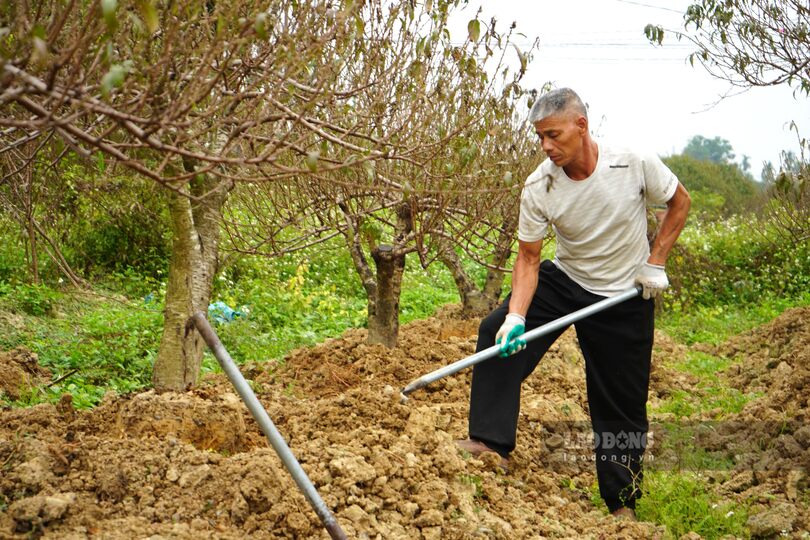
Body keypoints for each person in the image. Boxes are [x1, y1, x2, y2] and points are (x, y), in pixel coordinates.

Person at [456, 88, 691, 520]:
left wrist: (655, 262)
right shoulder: (539, 184)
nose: (546, 146)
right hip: (568, 279)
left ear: (581, 126)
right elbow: (528, 257)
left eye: (553, 134)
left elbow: (679, 203)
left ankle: (622, 504)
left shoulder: (633, 161)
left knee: (620, 402)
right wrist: (516, 316)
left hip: (625, 293)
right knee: (495, 333)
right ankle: (490, 442)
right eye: (539, 137)